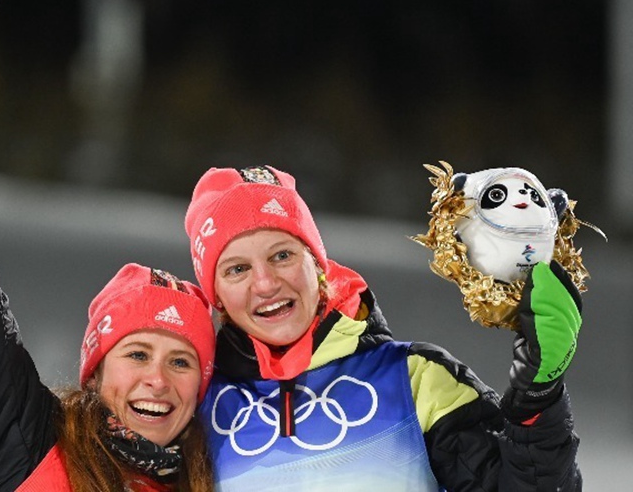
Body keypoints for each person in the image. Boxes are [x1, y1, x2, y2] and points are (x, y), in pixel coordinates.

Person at [0, 0, 217, 492]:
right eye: (137, 354)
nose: (157, 380)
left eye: (180, 362)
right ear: (95, 373)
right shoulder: (27, 442)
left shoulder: (227, 476)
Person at [184, 165, 583, 490]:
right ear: (215, 295)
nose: (266, 283)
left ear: (318, 265)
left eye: (283, 255)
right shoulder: (195, 408)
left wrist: (538, 398)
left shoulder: (415, 381)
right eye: (237, 269)